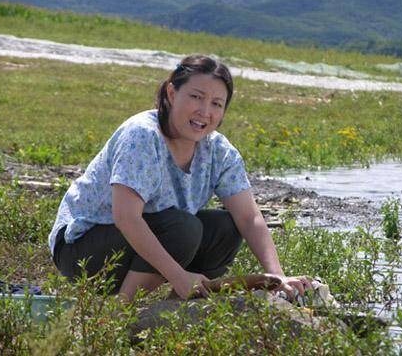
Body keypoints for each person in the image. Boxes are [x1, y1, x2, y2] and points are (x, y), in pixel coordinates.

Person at [48, 55, 312, 301]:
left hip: (146, 238)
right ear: (171, 93)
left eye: (216, 104)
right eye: (196, 97)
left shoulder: (218, 151)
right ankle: (122, 315)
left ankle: (175, 308)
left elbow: (249, 218)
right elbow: (125, 217)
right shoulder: (142, 135)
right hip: (82, 251)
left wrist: (277, 275)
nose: (204, 111)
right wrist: (177, 275)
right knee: (184, 228)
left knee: (226, 228)